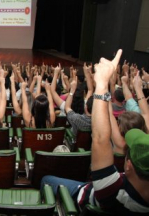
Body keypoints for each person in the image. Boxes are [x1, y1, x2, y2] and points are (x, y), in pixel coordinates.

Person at [41, 49, 149, 214]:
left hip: (84, 196)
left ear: (128, 166)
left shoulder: (111, 190)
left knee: (46, 180)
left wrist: (102, 84)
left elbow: (100, 138)